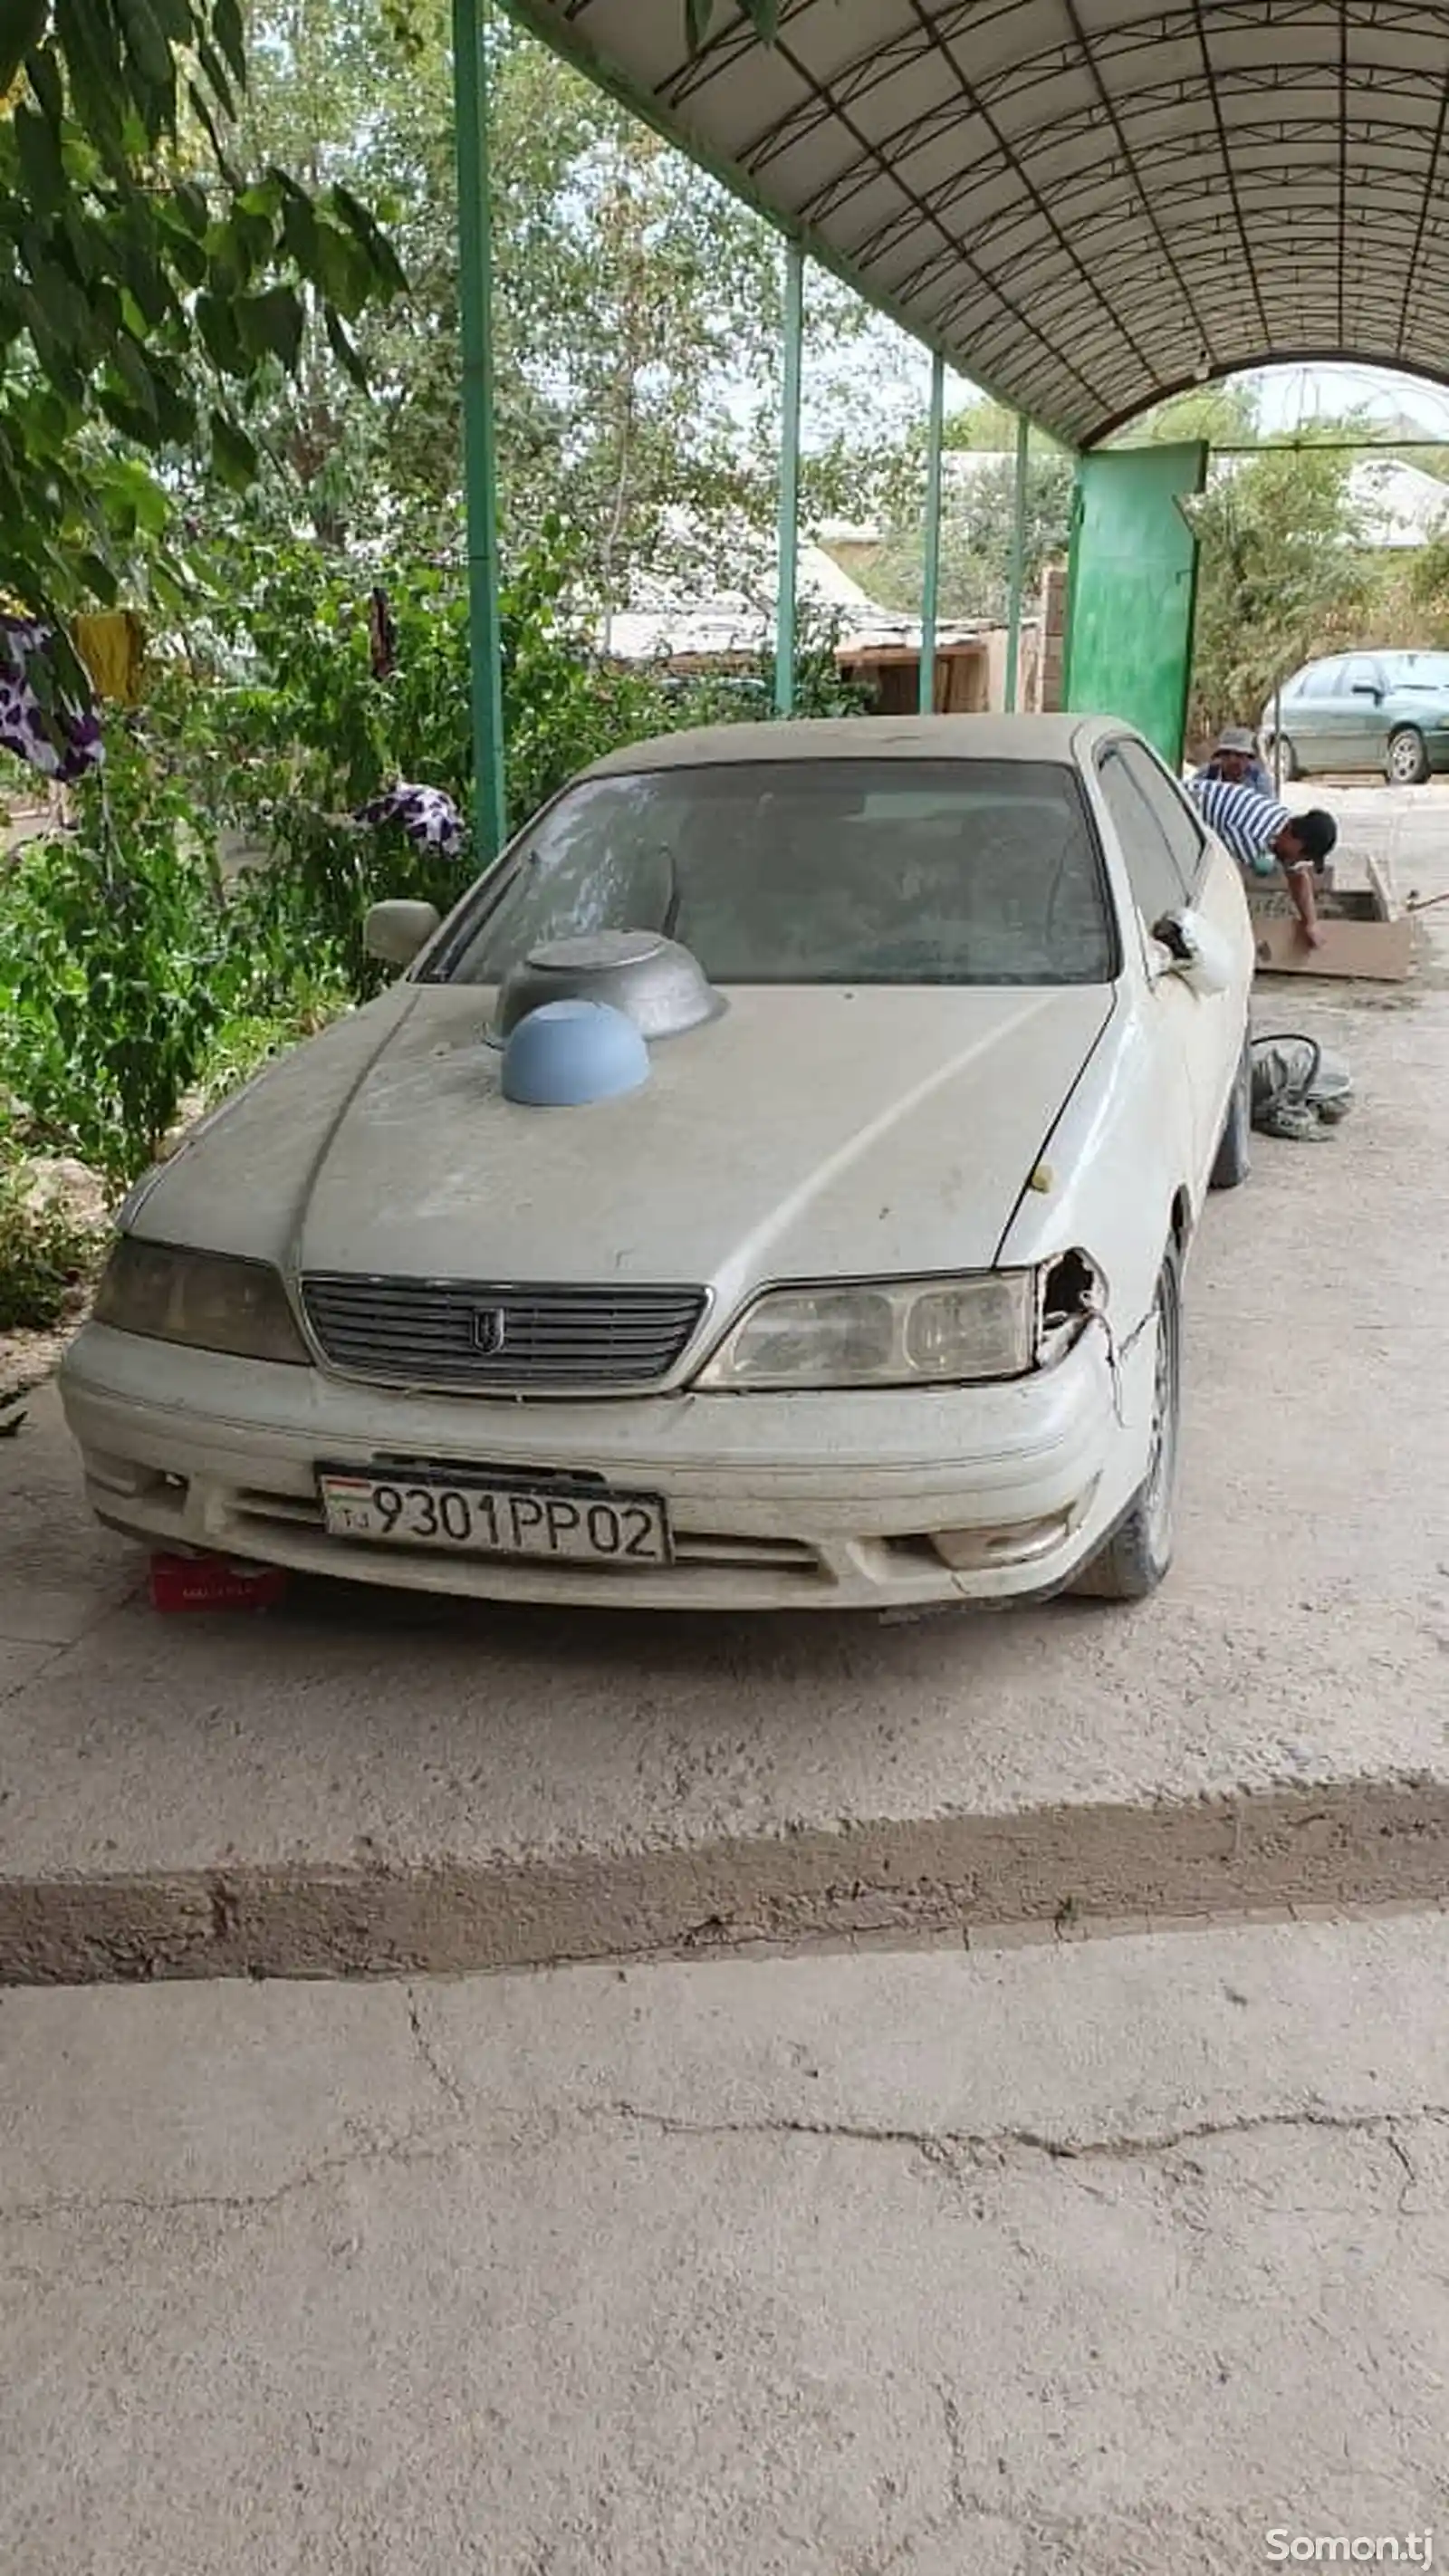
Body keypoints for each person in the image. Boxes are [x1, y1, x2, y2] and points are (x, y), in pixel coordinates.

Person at [1188, 774, 1337, 949]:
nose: (1299, 860)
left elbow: (1298, 876)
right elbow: (1220, 876)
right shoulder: (1250, 835)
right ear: (1293, 835)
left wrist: (1310, 923)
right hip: (1176, 809)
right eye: (1303, 855)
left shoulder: (1283, 823)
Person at [1194, 724, 1273, 797]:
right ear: (1219, 756)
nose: (1232, 760)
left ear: (1248, 758)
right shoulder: (1205, 775)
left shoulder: (1259, 781)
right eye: (1226, 754)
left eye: (1239, 755)